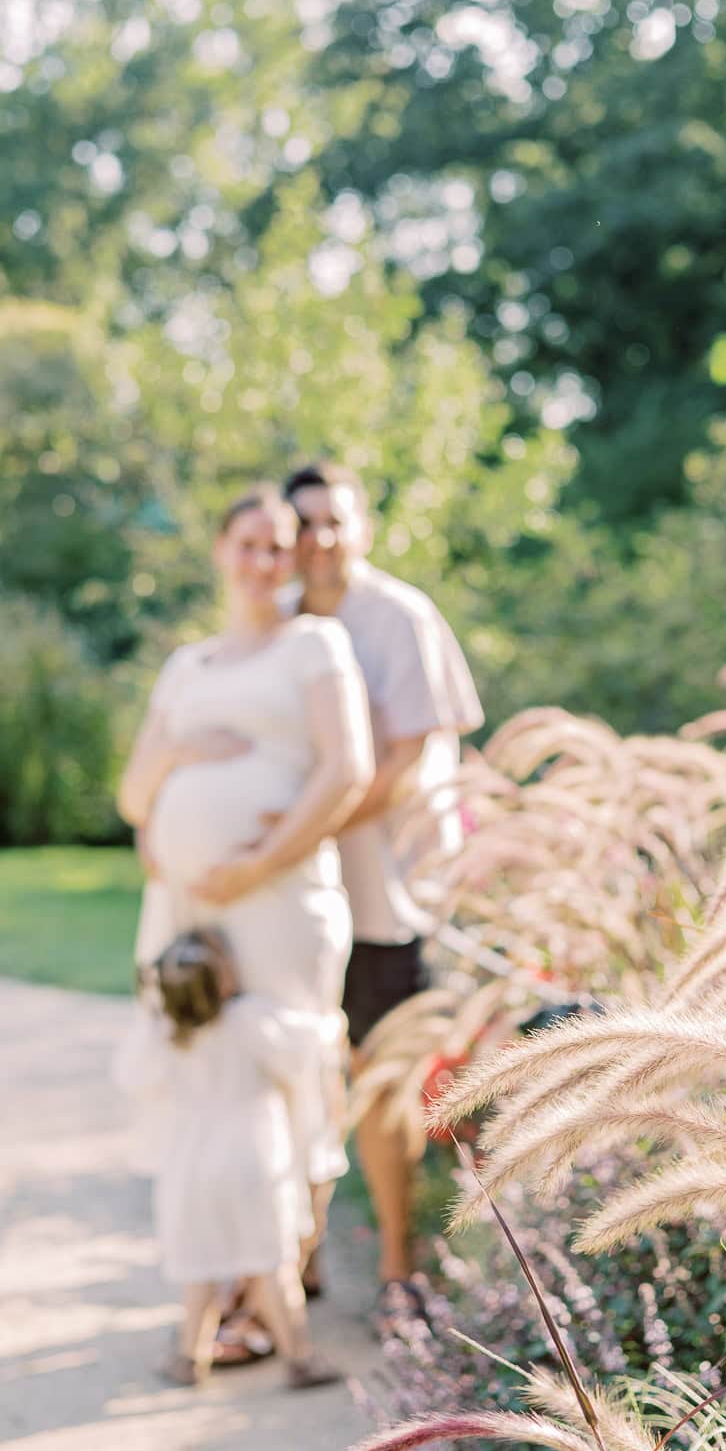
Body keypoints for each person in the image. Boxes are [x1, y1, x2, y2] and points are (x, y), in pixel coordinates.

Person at [116, 484, 374, 1346]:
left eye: (280, 546)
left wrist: (257, 861)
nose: (265, 560)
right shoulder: (186, 665)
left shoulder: (315, 644)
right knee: (203, 1075)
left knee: (286, 1068)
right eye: (250, 544)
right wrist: (183, 756)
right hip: (187, 905)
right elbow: (130, 795)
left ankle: (282, 1281)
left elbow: (347, 771)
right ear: (222, 549)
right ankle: (226, 1287)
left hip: (280, 897)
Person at [283, 462, 484, 1314]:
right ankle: (298, 1251)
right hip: (297, 896)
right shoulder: (279, 627)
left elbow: (407, 763)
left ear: (362, 527)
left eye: (335, 520)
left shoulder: (399, 617)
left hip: (388, 897)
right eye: (304, 523)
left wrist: (302, 831)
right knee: (297, 1070)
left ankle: (403, 1266)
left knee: (388, 1076)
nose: (320, 539)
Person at [134, 927, 345, 1389]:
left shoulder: (168, 1031)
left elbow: (134, 1075)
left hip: (189, 1167)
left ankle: (190, 1356)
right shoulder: (249, 1019)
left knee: (200, 1270)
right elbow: (308, 1044)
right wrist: (331, 1021)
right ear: (225, 980)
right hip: (253, 1161)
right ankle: (299, 1357)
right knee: (273, 1265)